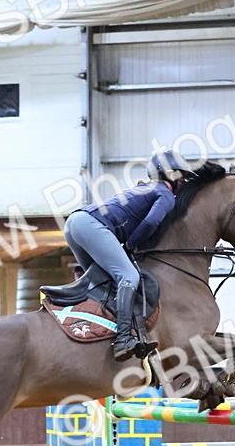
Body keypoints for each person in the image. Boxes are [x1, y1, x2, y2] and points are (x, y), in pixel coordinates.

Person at [41, 150, 191, 362]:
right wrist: (130, 244)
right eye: (181, 175)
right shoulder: (165, 194)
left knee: (102, 282)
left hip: (76, 224)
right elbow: (150, 223)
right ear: (169, 174)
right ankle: (122, 340)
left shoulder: (145, 188)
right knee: (129, 276)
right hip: (91, 225)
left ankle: (90, 328)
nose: (184, 180)